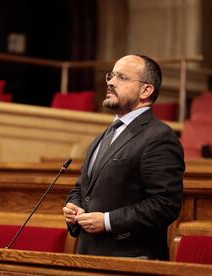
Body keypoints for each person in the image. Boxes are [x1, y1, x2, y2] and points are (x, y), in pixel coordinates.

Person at [63, 54, 185, 260]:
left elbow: (165, 204)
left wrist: (108, 221)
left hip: (130, 260)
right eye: (111, 76)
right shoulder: (103, 136)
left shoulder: (159, 136)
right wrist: (74, 208)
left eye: (122, 78)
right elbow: (81, 187)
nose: (110, 82)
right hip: (88, 258)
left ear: (146, 90)